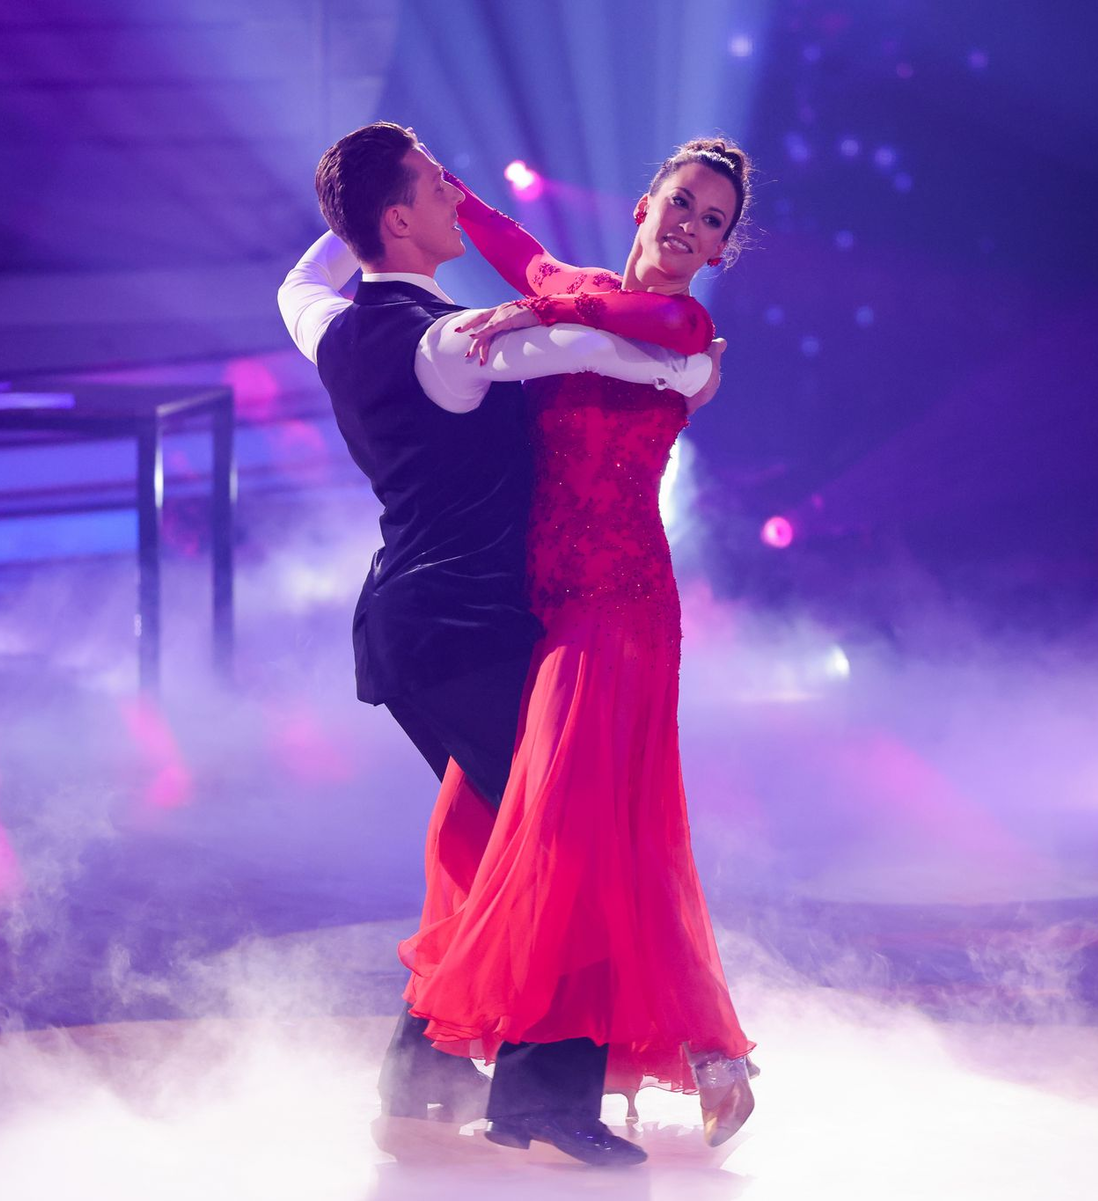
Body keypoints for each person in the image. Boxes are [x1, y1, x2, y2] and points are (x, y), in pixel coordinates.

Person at [276, 122, 719, 1159]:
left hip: (402, 632)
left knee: (500, 843)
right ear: (400, 221)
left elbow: (300, 279)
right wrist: (689, 372)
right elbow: (595, 344)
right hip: (468, 631)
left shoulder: (330, 326)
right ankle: (540, 1099)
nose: (452, 197)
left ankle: (424, 1075)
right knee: (572, 834)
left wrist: (352, 227)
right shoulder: (455, 338)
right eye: (435, 189)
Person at [398, 138, 757, 1164]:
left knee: (582, 832)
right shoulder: (586, 289)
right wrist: (446, 188)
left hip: (619, 607)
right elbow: (521, 253)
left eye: (714, 220)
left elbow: (603, 310)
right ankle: (434, 1074)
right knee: (482, 821)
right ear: (644, 203)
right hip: (538, 606)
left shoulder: (684, 324)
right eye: (682, 202)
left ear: (721, 249)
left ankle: (577, 1087)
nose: (691, 224)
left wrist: (544, 311)